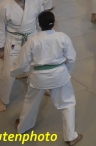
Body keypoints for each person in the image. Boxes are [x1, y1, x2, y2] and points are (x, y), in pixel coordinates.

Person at [11, 10, 82, 145]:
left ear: (39, 24)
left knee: (30, 102)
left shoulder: (33, 41)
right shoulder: (63, 37)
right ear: (54, 22)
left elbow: (22, 63)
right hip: (59, 74)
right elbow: (71, 58)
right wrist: (66, 73)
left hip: (39, 77)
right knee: (67, 103)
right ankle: (70, 136)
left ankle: (23, 127)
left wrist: (13, 73)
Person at [0, 0, 42, 112]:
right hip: (14, 41)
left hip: (32, 38)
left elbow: (40, 20)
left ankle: (43, 87)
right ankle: (3, 99)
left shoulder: (35, 1)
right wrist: (0, 48)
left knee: (38, 66)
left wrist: (45, 37)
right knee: (8, 73)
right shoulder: (4, 6)